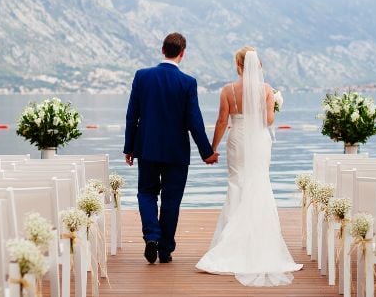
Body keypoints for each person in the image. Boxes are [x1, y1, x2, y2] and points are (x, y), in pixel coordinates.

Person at [195, 47, 302, 286]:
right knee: (260, 183)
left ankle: (230, 243)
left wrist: (212, 148)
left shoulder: (227, 90)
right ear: (259, 66)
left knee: (237, 184)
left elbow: (223, 120)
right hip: (259, 141)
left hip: (237, 138)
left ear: (238, 65)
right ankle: (258, 243)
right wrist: (275, 103)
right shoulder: (266, 90)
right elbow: (269, 120)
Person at [124, 32, 219, 265]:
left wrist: (129, 147)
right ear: (182, 53)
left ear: (162, 50)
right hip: (176, 152)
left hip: (146, 148)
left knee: (146, 193)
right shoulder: (187, 82)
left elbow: (131, 116)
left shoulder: (142, 76)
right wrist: (207, 152)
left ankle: (152, 237)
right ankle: (165, 249)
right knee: (171, 200)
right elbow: (194, 121)